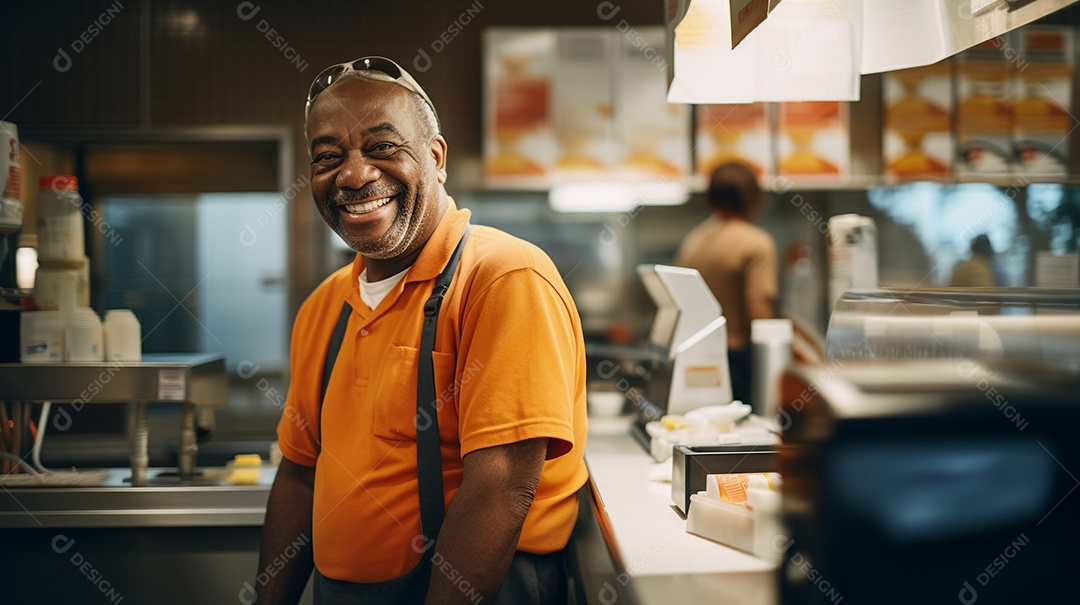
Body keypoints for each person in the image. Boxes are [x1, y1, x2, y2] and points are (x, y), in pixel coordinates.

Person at [253, 56, 588, 605]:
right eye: (328, 157)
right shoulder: (323, 306)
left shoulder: (502, 277)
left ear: (434, 159)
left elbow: (501, 485)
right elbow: (299, 474)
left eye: (383, 147)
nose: (354, 175)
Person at [674, 161, 777, 409]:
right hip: (736, 361)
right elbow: (760, 315)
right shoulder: (756, 243)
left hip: (695, 358)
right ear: (752, 197)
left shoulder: (694, 240)